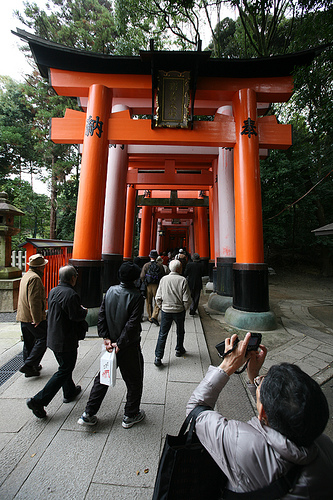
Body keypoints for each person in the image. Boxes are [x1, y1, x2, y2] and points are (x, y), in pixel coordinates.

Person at [186, 332, 333, 498]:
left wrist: (227, 365)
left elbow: (195, 410)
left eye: (262, 381)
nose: (260, 380)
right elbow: (278, 416)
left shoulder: (243, 443)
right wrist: (254, 376)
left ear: (262, 412)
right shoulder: (324, 445)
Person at [78, 261, 145, 428]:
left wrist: (106, 337)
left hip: (111, 345)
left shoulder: (110, 292)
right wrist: (120, 344)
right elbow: (132, 324)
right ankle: (131, 413)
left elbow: (102, 315)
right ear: (135, 278)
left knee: (103, 377)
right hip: (128, 346)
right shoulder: (137, 296)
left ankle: (89, 412)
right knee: (134, 380)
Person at [26, 265, 88, 418]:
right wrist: (84, 311)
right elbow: (75, 316)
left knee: (64, 366)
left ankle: (69, 391)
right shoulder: (71, 294)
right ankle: (38, 401)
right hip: (65, 339)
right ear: (73, 278)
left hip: (53, 336)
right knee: (65, 369)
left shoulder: (54, 291)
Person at [154, 259, 191, 367]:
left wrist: (162, 307)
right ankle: (179, 349)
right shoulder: (183, 280)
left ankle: (158, 357)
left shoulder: (164, 279)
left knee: (162, 334)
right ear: (179, 268)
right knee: (180, 331)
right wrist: (184, 308)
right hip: (179, 311)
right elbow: (186, 299)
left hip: (166, 311)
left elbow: (158, 297)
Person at [16, 253, 48, 377]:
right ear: (40, 267)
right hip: (31, 317)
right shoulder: (35, 278)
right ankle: (29, 365)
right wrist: (37, 319)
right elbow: (33, 300)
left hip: (23, 315)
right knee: (43, 338)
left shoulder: (26, 275)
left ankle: (31, 367)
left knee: (29, 341)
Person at [140, 249, 165, 326]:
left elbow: (142, 276)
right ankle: (155, 315)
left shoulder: (146, 265)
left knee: (148, 302)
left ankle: (150, 317)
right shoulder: (160, 265)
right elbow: (163, 275)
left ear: (150, 256)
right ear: (157, 257)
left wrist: (145, 282)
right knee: (158, 301)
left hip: (148, 285)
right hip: (157, 285)